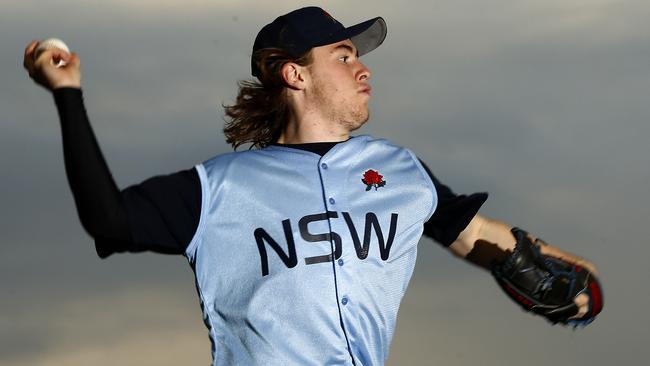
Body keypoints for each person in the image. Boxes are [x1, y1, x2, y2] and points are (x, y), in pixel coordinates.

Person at [23, 6, 603, 366]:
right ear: (295, 74)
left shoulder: (400, 171)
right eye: (344, 55)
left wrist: (582, 277)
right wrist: (68, 95)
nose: (363, 68)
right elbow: (109, 220)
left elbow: (484, 238)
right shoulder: (218, 188)